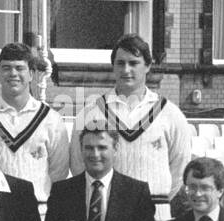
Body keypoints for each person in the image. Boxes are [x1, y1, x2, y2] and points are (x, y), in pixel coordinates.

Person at [70, 33, 191, 205]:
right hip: (107, 207)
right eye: (120, 63)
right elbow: (78, 165)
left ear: (148, 66)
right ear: (113, 67)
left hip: (155, 208)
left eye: (133, 63)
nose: (126, 70)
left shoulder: (170, 114)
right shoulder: (90, 113)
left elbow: (180, 168)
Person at [0, 43, 69, 202]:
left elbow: (59, 172)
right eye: (6, 68)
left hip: (38, 210)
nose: (13, 73)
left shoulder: (51, 120)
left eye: (19, 68)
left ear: (31, 74)